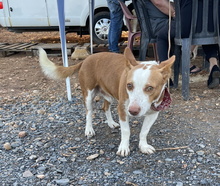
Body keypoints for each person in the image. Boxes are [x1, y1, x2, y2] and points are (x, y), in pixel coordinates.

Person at [156, 0, 220, 89]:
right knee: (205, 31)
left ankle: (165, 77)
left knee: (161, 36)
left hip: (185, 28)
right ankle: (214, 65)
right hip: (213, 27)